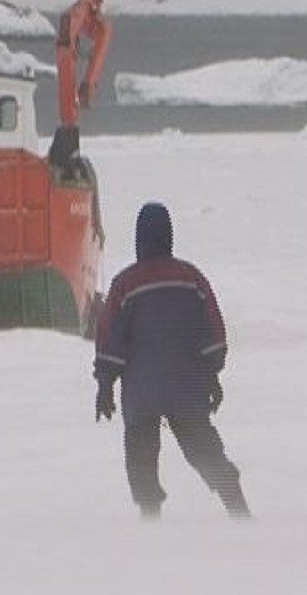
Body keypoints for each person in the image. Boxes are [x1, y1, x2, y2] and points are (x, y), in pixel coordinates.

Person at [93, 202, 250, 520]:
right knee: (204, 449)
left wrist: (105, 384)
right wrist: (212, 375)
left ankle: (151, 519)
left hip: (142, 391)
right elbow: (213, 333)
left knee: (141, 452)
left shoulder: (126, 284)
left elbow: (110, 339)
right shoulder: (191, 279)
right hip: (186, 386)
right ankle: (239, 512)